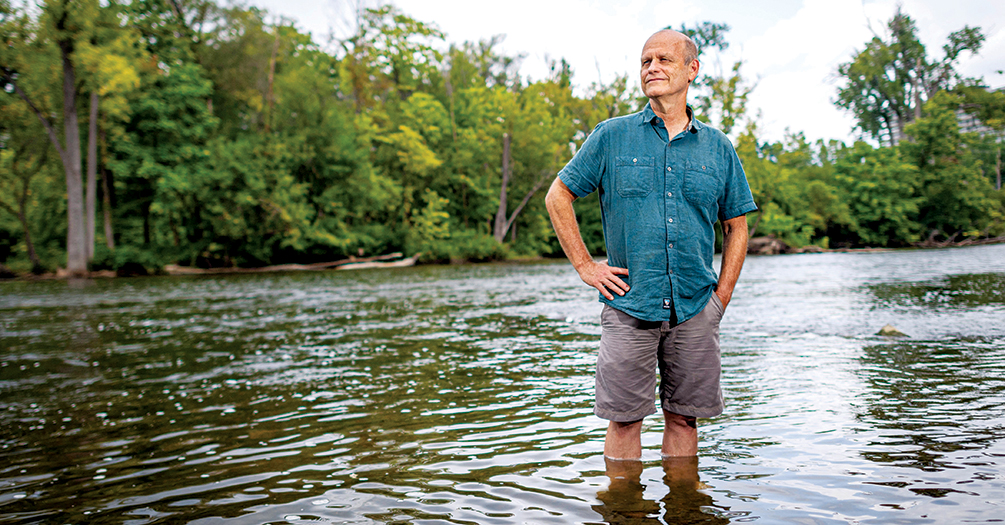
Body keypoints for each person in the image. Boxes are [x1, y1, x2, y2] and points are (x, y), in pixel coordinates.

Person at [544, 29, 757, 460]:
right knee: (623, 419)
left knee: (684, 419)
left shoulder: (718, 147)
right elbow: (558, 196)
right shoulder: (611, 136)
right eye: (645, 62)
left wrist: (721, 298)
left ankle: (684, 509)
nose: (652, 68)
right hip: (628, 305)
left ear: (692, 69)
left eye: (663, 60)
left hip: (697, 307)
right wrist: (587, 267)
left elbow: (737, 227)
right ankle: (625, 511)